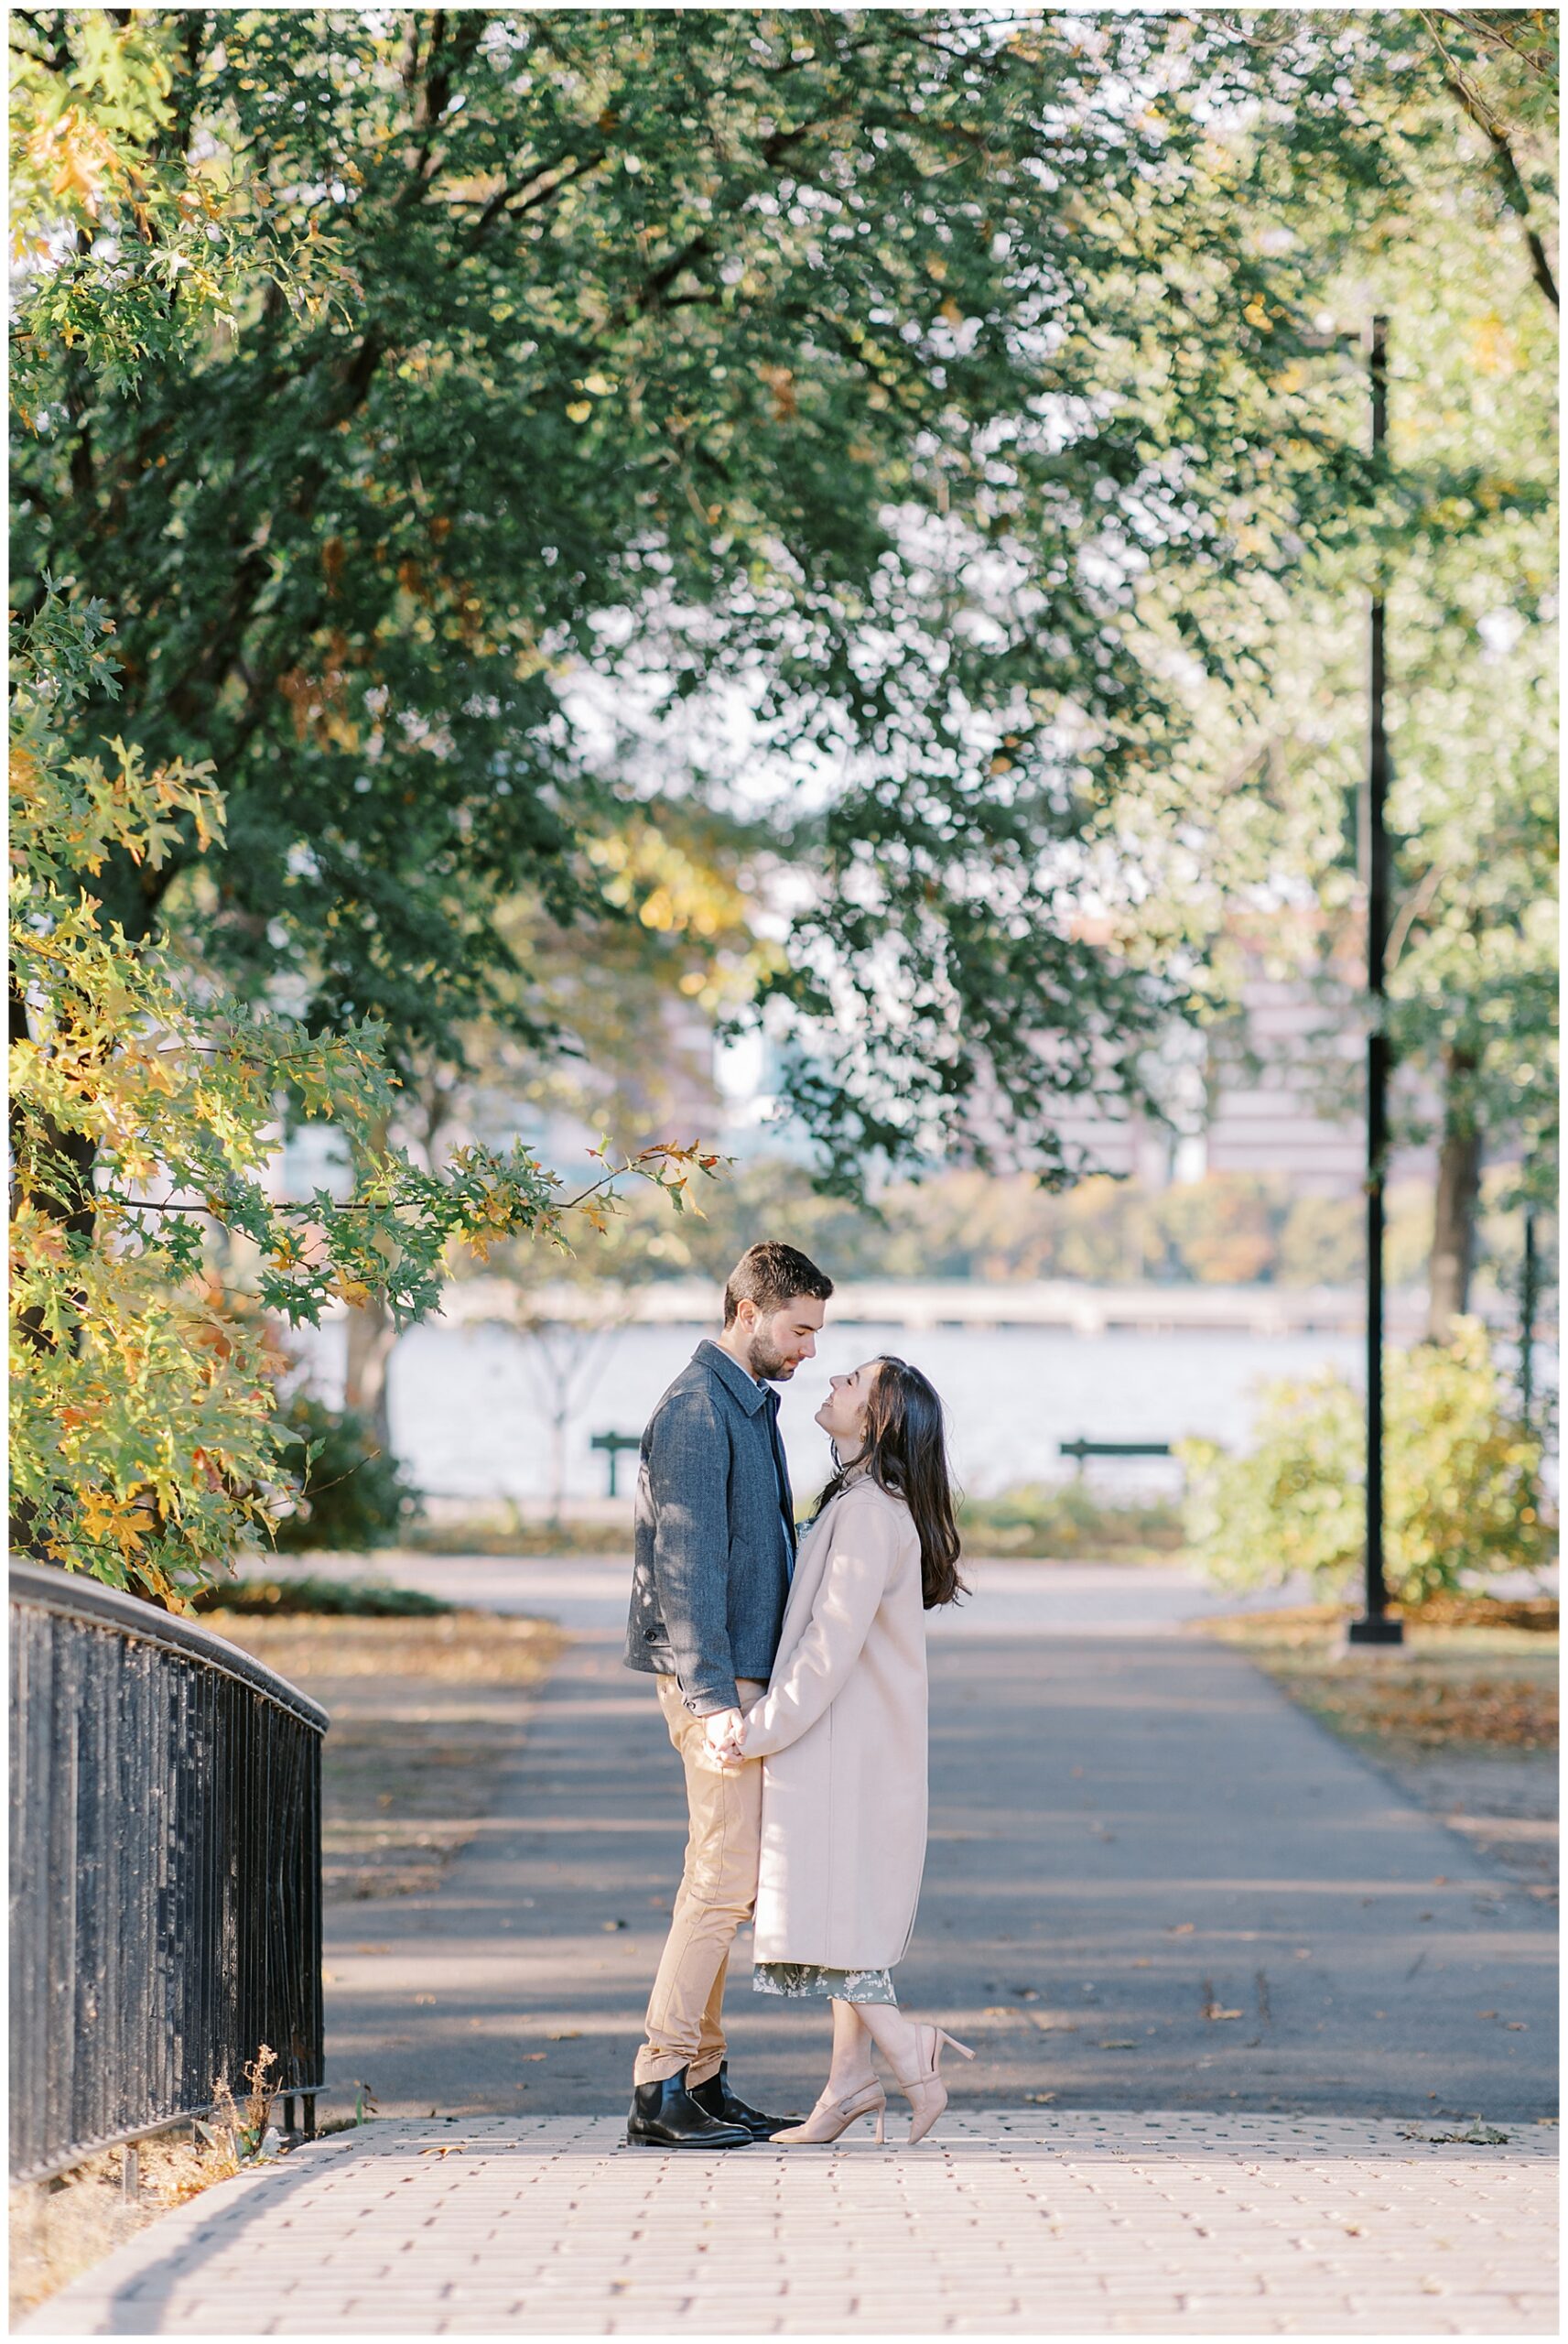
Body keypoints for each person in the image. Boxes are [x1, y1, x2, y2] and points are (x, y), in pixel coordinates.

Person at [719, 1353, 973, 2147]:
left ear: (878, 1421)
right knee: (845, 1912)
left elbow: (826, 1652)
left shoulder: (870, 1512)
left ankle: (909, 2051)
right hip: (847, 1749)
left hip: (840, 1754)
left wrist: (755, 1729)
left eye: (851, 1383)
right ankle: (847, 2084)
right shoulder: (866, 1499)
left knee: (835, 1916)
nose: (831, 1382)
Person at [623, 1240, 835, 2150]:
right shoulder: (698, 1410)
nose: (811, 1348)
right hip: (717, 1680)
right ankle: (658, 2083)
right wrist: (714, 1700)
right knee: (722, 1886)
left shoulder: (746, 1405)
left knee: (717, 1885)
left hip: (742, 1673)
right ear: (750, 1312)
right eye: (800, 1328)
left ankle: (702, 2082)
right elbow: (684, 1571)